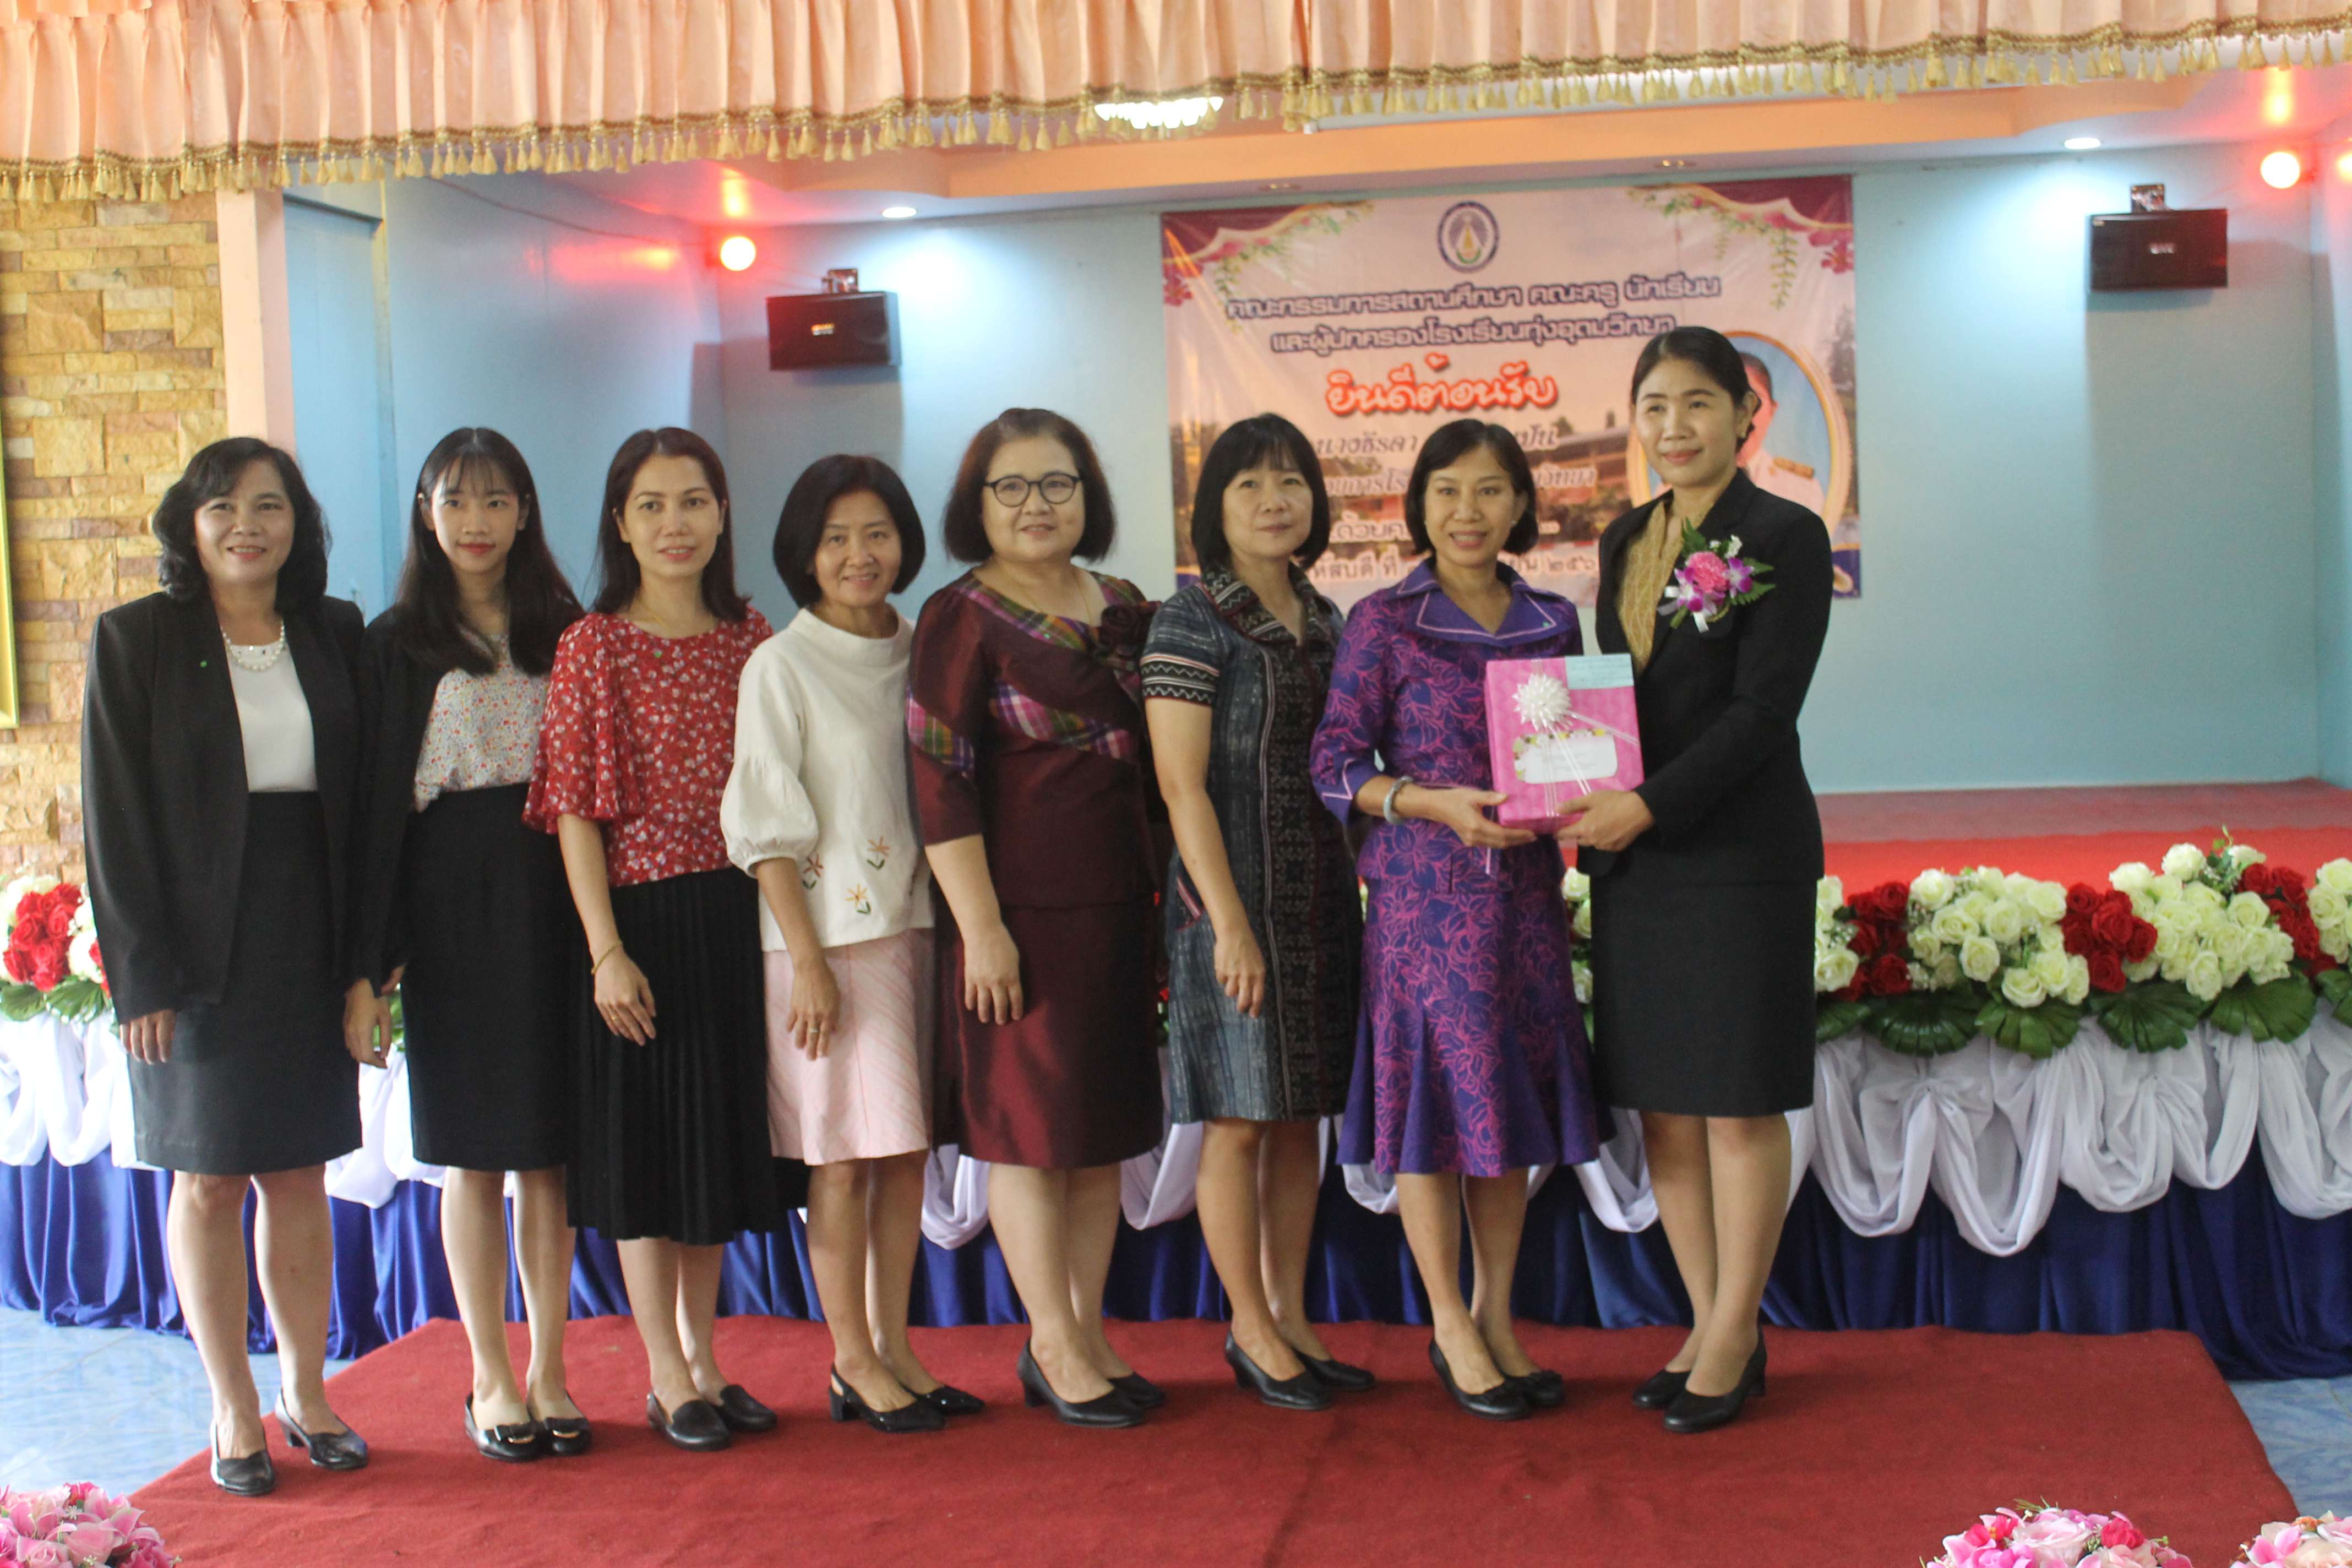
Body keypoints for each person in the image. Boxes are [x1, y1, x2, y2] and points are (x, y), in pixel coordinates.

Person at [82, 437, 369, 1496]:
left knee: (301, 1170)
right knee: (207, 1178)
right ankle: (231, 1403)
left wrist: (365, 965)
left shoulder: (334, 632)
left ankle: (306, 1388)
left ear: (298, 521)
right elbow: (114, 819)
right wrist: (142, 976)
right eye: (223, 508)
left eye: (269, 506)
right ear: (189, 524)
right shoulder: (139, 638)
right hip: (195, 945)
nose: (247, 526)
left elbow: (366, 807)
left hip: (307, 930)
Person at [1564, 326, 1834, 1435]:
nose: (1673, 427)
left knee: (1735, 1101)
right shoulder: (1627, 536)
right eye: (1655, 407)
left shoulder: (1785, 534)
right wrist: (1569, 781)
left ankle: (1734, 1327)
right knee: (1665, 1109)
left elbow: (1764, 712)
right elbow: (1606, 697)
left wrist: (1647, 804)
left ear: (1744, 416)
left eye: (1696, 404)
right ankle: (1707, 1318)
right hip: (1639, 861)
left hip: (1736, 857)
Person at [1308, 418, 1601, 1423]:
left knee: (1502, 1114)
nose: (1467, 512)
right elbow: (1333, 762)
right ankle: (1447, 1322)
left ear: (1521, 504)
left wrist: (1585, 796)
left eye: (1488, 491)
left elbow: (1575, 752)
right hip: (1423, 908)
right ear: (1419, 504)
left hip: (1524, 901)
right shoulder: (1383, 622)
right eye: (1446, 491)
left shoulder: (1554, 620)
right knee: (1432, 1115)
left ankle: (1496, 1316)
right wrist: (1428, 802)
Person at [525, 427, 802, 1453]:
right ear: (621, 523)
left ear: (722, 515)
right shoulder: (593, 644)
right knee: (649, 1154)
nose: (674, 523)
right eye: (651, 505)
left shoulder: (751, 636)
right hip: (637, 926)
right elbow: (572, 813)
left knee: (711, 1150)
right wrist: (605, 951)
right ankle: (665, 1373)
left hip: (736, 915)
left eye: (692, 501)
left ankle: (707, 1360)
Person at [907, 408, 1165, 1429]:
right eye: (1010, 486)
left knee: (1099, 1135)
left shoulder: (1125, 605)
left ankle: (1085, 1330)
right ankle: (1049, 1341)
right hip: (1017, 917)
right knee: (1028, 1136)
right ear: (976, 504)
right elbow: (938, 783)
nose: (1036, 505)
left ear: (1087, 494)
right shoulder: (960, 616)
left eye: (1057, 483)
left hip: (1120, 905)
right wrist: (982, 929)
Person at [721, 454, 981, 1435]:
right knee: (838, 1159)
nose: (858, 554)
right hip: (823, 946)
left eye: (876, 533)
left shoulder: (926, 651)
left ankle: (897, 1347)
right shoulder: (780, 664)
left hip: (915, 930)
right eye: (835, 538)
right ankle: (851, 1358)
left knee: (903, 1151)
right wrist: (809, 964)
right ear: (804, 551)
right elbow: (764, 832)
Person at [349, 428, 588, 1462]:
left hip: (558, 889)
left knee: (549, 1150)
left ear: (525, 511)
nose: (476, 521)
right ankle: (490, 1374)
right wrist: (378, 953)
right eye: (456, 500)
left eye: (496, 500)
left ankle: (552, 1368)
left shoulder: (569, 630)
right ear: (426, 513)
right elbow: (374, 813)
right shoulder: (394, 643)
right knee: (473, 1152)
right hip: (450, 901)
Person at [1140, 414, 1365, 1412]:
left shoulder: (1328, 617)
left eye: (1291, 482)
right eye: (1249, 485)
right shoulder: (1192, 619)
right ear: (1214, 507)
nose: (1275, 501)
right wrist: (1228, 924)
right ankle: (1248, 1325)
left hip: (1319, 897)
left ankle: (1292, 1315)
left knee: (1297, 1117)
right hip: (1225, 905)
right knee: (1237, 1118)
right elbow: (1180, 787)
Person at [1734, 352, 1828, 518]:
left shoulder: (1804, 491)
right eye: (1734, 399)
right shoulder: (1687, 486)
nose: (1744, 412)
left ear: (1773, 410)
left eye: (1755, 400)